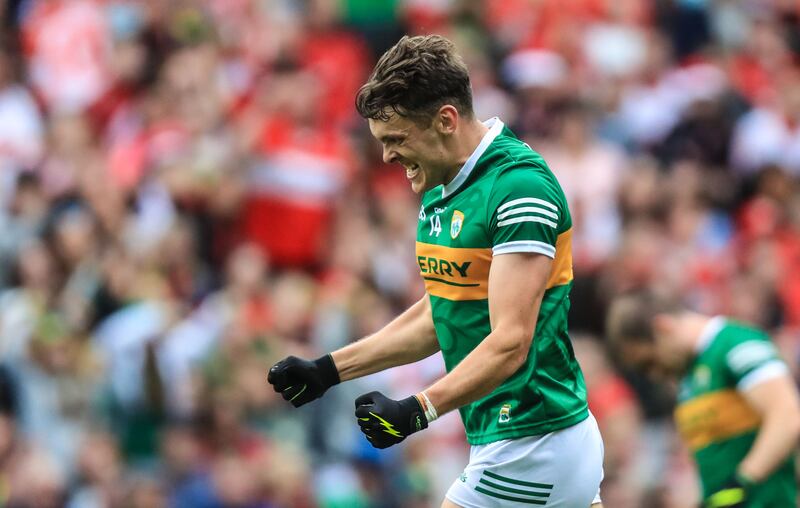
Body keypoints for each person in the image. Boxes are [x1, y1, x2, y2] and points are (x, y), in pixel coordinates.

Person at [268, 35, 604, 508]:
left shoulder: (518, 187)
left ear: (446, 120)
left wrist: (418, 410)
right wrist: (328, 371)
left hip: (533, 438)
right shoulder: (441, 185)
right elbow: (439, 314)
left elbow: (511, 341)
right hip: (515, 435)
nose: (387, 157)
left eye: (397, 139)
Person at [606, 291, 800, 508]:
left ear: (663, 328)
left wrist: (742, 482)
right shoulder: (690, 374)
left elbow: (788, 417)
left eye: (649, 362)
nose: (654, 375)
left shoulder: (736, 345)